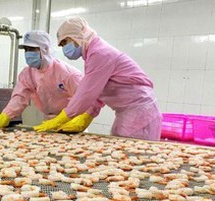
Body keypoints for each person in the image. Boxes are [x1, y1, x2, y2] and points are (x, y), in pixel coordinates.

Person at [34, 17, 162, 140]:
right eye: (61, 45)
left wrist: (63, 117)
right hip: (129, 113)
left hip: (139, 112)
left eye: (65, 42)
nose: (64, 48)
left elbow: (86, 93)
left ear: (77, 36)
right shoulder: (92, 55)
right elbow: (97, 92)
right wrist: (87, 115)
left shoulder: (100, 53)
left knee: (133, 154)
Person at [0, 30, 102, 131]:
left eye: (32, 49)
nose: (28, 54)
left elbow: (88, 99)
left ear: (44, 49)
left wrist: (82, 119)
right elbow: (18, 98)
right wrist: (3, 118)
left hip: (72, 123)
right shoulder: (27, 74)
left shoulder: (67, 74)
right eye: (26, 50)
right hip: (48, 123)